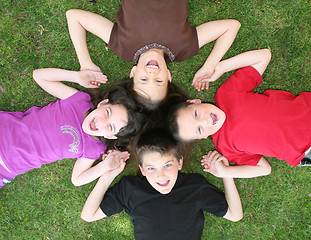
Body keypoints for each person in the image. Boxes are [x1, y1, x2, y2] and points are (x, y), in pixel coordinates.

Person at [168, 49, 311, 179]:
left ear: (195, 102)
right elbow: (264, 169)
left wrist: (221, 68)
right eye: (199, 129)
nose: (205, 121)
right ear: (203, 137)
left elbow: (264, 56)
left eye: (196, 114)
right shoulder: (225, 147)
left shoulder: (227, 94)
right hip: (305, 149)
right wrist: (225, 172)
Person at [66, 0, 241, 106]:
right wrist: (209, 66)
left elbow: (74, 16)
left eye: (143, 79)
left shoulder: (123, 48)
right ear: (168, 76)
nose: (152, 73)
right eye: (158, 81)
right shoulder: (182, 49)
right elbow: (231, 26)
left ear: (133, 72)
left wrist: (85, 63)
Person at [80, 128, 243, 240]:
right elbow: (88, 215)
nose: (161, 176)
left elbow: (235, 215)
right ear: (142, 169)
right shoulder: (130, 189)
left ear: (179, 162)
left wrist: (225, 173)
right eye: (151, 168)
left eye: (167, 165)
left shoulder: (194, 186)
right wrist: (108, 175)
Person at [0, 68, 144, 188]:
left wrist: (105, 167)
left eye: (111, 127)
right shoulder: (78, 101)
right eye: (107, 112)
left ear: (111, 137)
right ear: (103, 103)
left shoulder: (94, 148)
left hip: (7, 167)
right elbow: (39, 76)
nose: (102, 121)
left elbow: (77, 179)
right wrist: (75, 77)